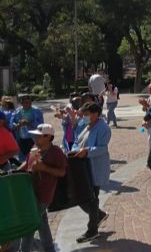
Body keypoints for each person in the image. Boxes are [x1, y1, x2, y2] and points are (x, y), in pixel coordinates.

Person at [18, 123, 67, 252]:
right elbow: (27, 162)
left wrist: (44, 168)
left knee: (29, 223)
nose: (35, 138)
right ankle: (49, 248)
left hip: (43, 195)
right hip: (31, 192)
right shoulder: (36, 148)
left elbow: (62, 172)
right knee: (42, 222)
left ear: (48, 137)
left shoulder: (55, 151)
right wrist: (16, 172)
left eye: (38, 136)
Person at [71, 102, 111, 243]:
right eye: (84, 114)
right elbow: (77, 140)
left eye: (87, 114)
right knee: (81, 197)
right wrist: (74, 150)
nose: (84, 117)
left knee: (92, 198)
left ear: (95, 114)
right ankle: (98, 215)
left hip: (95, 168)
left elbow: (102, 148)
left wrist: (87, 151)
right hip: (82, 167)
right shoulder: (86, 125)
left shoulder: (103, 128)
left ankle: (92, 230)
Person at [12, 94, 44, 161]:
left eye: (30, 102)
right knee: (23, 158)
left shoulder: (37, 110)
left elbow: (41, 125)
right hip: (21, 138)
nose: (28, 104)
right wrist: (15, 125)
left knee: (34, 158)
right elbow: (11, 122)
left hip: (33, 139)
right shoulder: (17, 111)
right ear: (21, 103)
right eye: (26, 102)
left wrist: (29, 123)